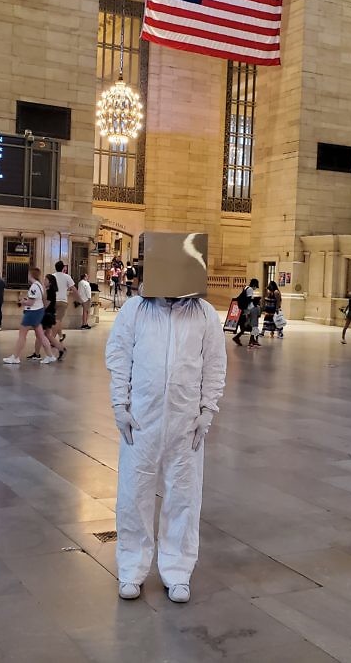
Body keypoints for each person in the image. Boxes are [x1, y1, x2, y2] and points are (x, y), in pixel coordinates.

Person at [105, 234, 227, 604]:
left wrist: (207, 409)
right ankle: (131, 568)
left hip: (185, 420)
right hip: (141, 419)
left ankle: (177, 571)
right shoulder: (136, 310)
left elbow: (214, 363)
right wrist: (119, 406)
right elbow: (119, 356)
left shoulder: (203, 313)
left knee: (183, 495)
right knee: (134, 493)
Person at [3, 267, 56, 365]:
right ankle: (50, 355)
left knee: (22, 335)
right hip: (38, 311)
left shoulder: (34, 287)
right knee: (41, 335)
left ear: (31, 275)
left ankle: (15, 357)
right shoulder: (40, 285)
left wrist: (23, 301)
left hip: (32, 313)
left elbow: (30, 302)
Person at [40, 273, 68, 360]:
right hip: (50, 314)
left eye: (46, 280)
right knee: (48, 335)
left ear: (50, 282)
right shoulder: (51, 291)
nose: (44, 281)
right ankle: (60, 349)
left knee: (45, 335)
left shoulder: (50, 292)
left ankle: (52, 353)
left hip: (48, 315)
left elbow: (46, 304)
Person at [51, 261, 78, 340]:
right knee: (58, 320)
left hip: (52, 301)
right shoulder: (67, 277)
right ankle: (52, 339)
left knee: (57, 320)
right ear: (63, 267)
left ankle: (61, 335)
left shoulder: (51, 276)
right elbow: (74, 288)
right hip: (62, 301)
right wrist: (79, 298)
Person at [232, 278, 260, 348]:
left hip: (246, 310)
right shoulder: (250, 289)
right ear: (254, 285)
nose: (256, 288)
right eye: (256, 286)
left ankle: (252, 340)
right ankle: (251, 341)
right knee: (253, 326)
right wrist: (255, 299)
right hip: (249, 310)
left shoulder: (246, 287)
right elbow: (248, 300)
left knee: (248, 326)